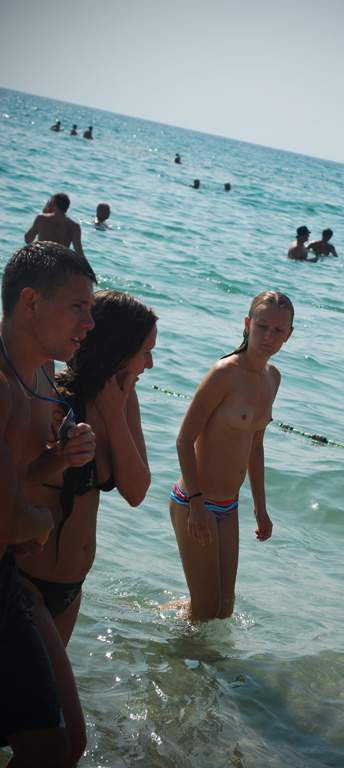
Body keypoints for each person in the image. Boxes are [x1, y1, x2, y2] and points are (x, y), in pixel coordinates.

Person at [0, 241, 97, 766]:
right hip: (12, 574)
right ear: (31, 302)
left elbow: (15, 478)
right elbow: (10, 515)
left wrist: (59, 459)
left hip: (7, 576)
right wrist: (33, 522)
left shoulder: (39, 377)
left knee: (56, 746)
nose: (89, 323)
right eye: (78, 307)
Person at [18, 289, 156, 647]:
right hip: (25, 579)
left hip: (71, 589)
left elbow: (137, 491)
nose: (151, 364)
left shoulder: (125, 400)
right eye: (145, 352)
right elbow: (19, 479)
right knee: (50, 683)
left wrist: (113, 414)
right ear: (118, 349)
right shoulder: (53, 400)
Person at [169, 290, 293, 621]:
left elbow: (256, 446)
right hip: (195, 501)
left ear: (289, 335)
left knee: (224, 608)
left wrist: (261, 508)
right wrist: (196, 504)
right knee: (206, 609)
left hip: (228, 506)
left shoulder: (272, 378)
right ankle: (178, 651)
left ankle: (163, 620)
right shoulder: (224, 373)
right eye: (262, 327)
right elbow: (184, 440)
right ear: (248, 324)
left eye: (278, 331)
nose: (269, 337)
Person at [25, 193, 84, 259]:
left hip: (41, 258)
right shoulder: (74, 227)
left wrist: (44, 213)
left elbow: (27, 240)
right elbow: (79, 253)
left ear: (52, 204)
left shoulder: (41, 218)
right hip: (59, 261)